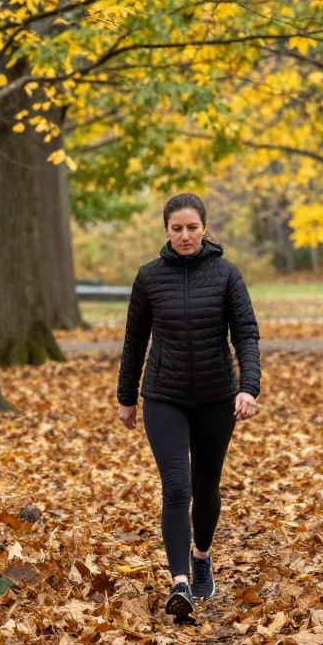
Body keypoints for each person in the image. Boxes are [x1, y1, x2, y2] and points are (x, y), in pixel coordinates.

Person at [116, 193, 261, 620]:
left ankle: (201, 554)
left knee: (206, 488)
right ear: (166, 230)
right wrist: (127, 398)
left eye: (192, 228)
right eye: (176, 228)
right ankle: (180, 583)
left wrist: (248, 387)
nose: (185, 236)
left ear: (204, 228)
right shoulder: (149, 278)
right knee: (177, 487)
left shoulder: (226, 275)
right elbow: (134, 341)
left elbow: (247, 335)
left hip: (217, 397)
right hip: (165, 397)